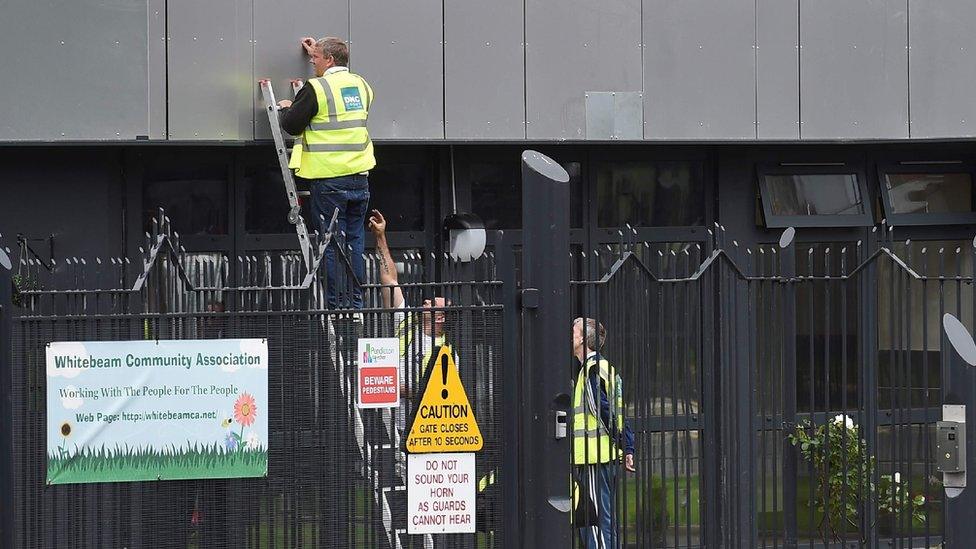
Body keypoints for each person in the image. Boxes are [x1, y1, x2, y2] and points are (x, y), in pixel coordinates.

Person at [278, 36, 375, 309]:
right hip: (360, 179)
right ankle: (355, 304)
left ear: (330, 59)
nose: (312, 61)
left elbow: (293, 126)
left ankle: (337, 306)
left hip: (330, 179)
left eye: (316, 58)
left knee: (332, 244)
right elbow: (337, 105)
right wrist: (318, 49)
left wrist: (290, 107)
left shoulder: (316, 89)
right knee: (355, 242)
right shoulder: (361, 85)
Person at [572, 317, 636, 549]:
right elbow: (619, 411)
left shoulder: (591, 370)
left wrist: (622, 443)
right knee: (601, 519)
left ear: (582, 340)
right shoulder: (606, 368)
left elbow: (602, 409)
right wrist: (627, 446)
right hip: (602, 457)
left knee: (594, 520)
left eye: (573, 331)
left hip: (594, 457)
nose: (570, 336)